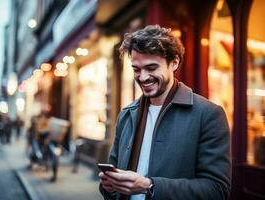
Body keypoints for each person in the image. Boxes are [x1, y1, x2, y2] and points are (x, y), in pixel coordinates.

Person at [99, 25, 231, 200]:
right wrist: (109, 185)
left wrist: (150, 186)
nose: (143, 77)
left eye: (152, 68)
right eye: (136, 69)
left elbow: (217, 190)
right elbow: (114, 179)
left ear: (174, 62)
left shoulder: (209, 115)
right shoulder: (126, 115)